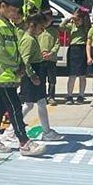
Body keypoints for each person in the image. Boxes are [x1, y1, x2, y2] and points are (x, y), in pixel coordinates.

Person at [0, 0, 45, 157]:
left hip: (7, 75)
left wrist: (20, 66)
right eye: (14, 10)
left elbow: (15, 50)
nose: (16, 14)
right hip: (0, 76)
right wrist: (16, 65)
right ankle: (24, 142)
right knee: (15, 107)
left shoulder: (8, 25)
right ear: (3, 6)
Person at [18, 12, 61, 141]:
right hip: (32, 74)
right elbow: (24, 61)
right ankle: (11, 130)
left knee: (41, 102)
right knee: (29, 104)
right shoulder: (28, 40)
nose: (42, 30)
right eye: (41, 27)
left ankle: (47, 131)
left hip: (37, 71)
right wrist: (33, 76)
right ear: (33, 25)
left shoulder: (33, 38)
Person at [61, 7, 90, 104]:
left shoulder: (86, 28)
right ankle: (69, 95)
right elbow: (61, 27)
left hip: (82, 49)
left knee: (82, 75)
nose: (76, 21)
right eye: (75, 19)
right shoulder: (71, 26)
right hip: (73, 49)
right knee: (72, 74)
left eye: (78, 19)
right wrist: (68, 19)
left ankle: (81, 95)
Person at [38, 9, 60, 105]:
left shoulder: (54, 31)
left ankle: (51, 96)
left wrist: (51, 53)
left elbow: (57, 44)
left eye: (49, 19)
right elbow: (34, 43)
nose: (46, 21)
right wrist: (39, 53)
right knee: (41, 79)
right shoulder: (38, 30)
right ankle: (42, 96)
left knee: (52, 79)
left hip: (51, 59)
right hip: (40, 58)